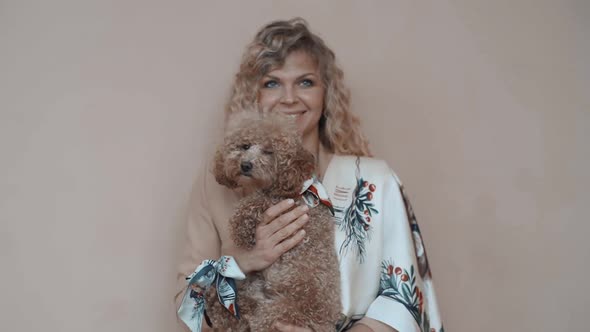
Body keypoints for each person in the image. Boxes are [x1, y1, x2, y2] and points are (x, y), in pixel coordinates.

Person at [175, 18, 444, 332]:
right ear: (253, 95)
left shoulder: (375, 182)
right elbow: (187, 308)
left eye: (305, 82)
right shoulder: (217, 184)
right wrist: (242, 259)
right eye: (271, 83)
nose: (289, 98)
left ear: (326, 93)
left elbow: (404, 300)